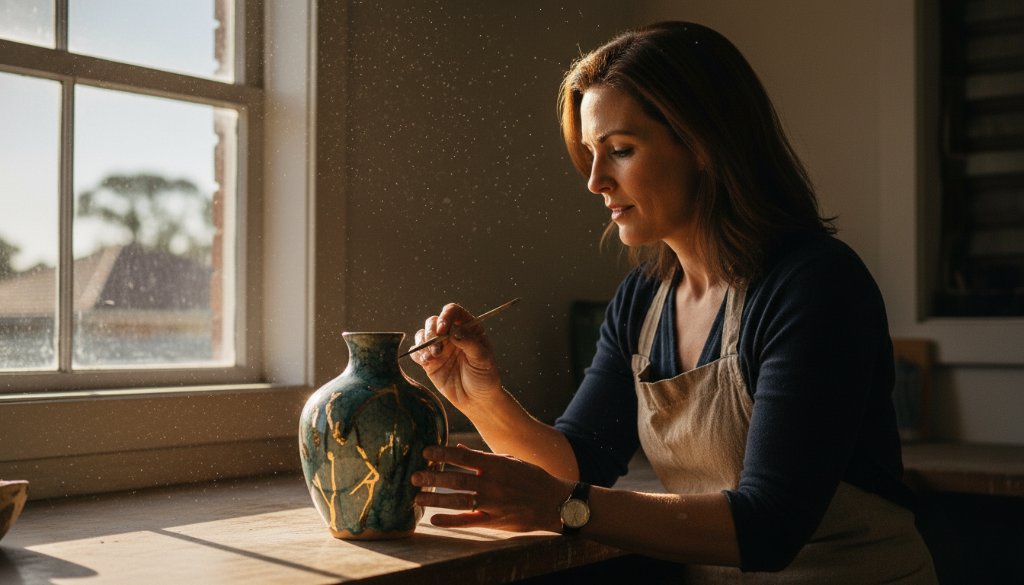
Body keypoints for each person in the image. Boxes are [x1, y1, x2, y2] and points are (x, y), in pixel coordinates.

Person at [408, 21, 937, 583]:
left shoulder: (815, 286)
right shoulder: (643, 300)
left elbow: (770, 526)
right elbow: (583, 460)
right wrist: (482, 399)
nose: (594, 181)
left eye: (620, 151)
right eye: (590, 153)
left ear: (704, 144)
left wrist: (560, 506)